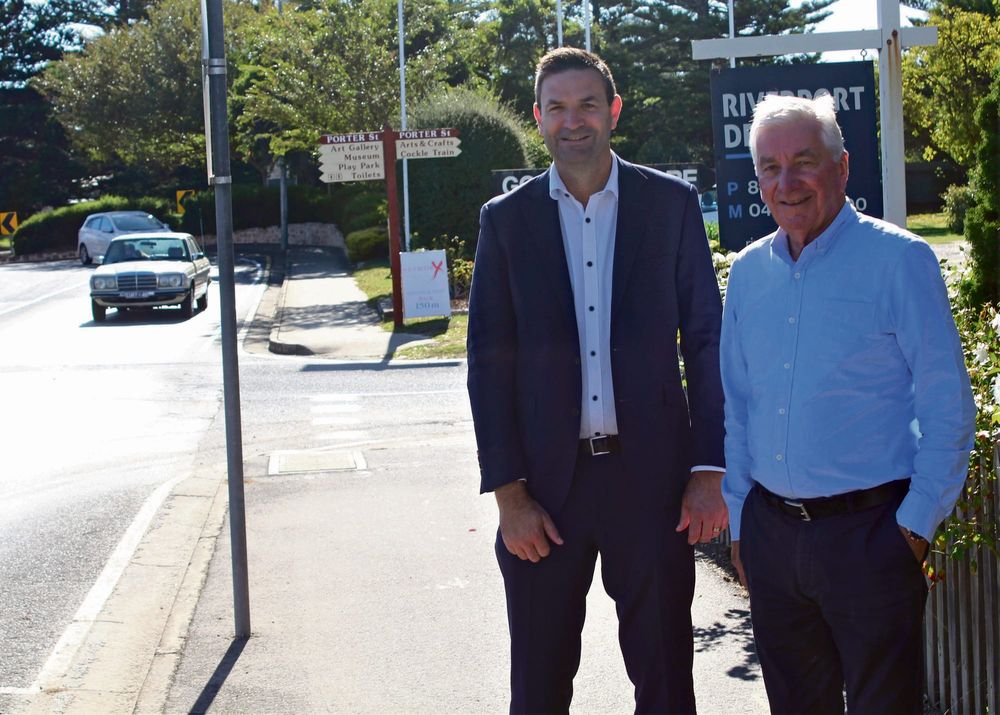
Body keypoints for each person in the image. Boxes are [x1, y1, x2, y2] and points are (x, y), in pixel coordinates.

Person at [466, 47, 727, 714]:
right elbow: (488, 364)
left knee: (666, 683)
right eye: (556, 107)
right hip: (543, 496)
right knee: (538, 688)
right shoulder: (505, 220)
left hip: (653, 486)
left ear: (613, 110)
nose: (572, 120)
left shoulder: (670, 205)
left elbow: (706, 341)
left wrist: (708, 469)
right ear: (538, 117)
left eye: (587, 104)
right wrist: (508, 495)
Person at [720, 93, 976, 714]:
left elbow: (948, 406)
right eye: (770, 167)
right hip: (772, 537)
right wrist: (742, 523)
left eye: (803, 162)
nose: (786, 183)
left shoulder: (900, 261)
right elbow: (739, 406)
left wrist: (913, 528)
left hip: (871, 538)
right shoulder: (749, 273)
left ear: (842, 166)